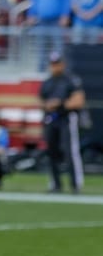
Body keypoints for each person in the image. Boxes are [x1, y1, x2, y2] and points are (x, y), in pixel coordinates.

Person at [39, 52, 86, 193]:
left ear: (63, 64)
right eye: (52, 64)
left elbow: (79, 101)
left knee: (70, 151)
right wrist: (47, 105)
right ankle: (55, 184)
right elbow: (40, 100)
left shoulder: (71, 80)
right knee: (51, 151)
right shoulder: (47, 82)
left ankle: (75, 184)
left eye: (57, 63)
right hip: (51, 119)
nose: (54, 67)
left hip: (67, 118)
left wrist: (60, 104)